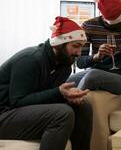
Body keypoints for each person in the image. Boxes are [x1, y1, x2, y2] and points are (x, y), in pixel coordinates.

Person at [0, 17, 93, 150]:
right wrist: (59, 92)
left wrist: (67, 96)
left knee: (84, 106)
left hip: (18, 112)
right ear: (58, 44)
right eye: (75, 46)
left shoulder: (64, 65)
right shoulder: (30, 59)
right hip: (4, 112)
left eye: (81, 47)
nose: (79, 53)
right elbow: (17, 101)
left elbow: (45, 96)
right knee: (62, 113)